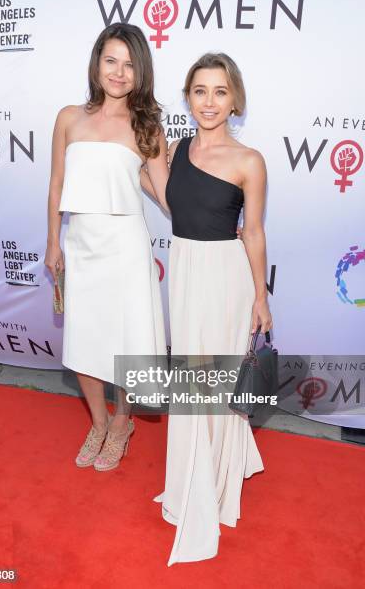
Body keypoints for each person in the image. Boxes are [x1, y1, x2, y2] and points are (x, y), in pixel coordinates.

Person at [153, 53, 273, 565]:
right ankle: (191, 479)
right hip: (183, 271)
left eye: (220, 91)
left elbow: (253, 232)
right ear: (187, 97)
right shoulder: (173, 150)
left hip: (226, 279)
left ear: (234, 99)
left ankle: (216, 485)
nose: (209, 101)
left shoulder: (249, 160)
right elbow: (172, 204)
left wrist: (260, 296)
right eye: (200, 91)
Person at [44, 23, 167, 472]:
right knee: (85, 340)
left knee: (127, 338)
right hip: (82, 243)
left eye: (130, 64)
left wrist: (216, 218)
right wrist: (53, 242)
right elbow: (57, 183)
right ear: (97, 63)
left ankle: (122, 423)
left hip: (126, 247)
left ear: (141, 72)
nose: (119, 72)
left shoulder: (145, 124)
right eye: (111, 60)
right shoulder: (68, 117)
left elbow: (165, 193)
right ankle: (97, 422)